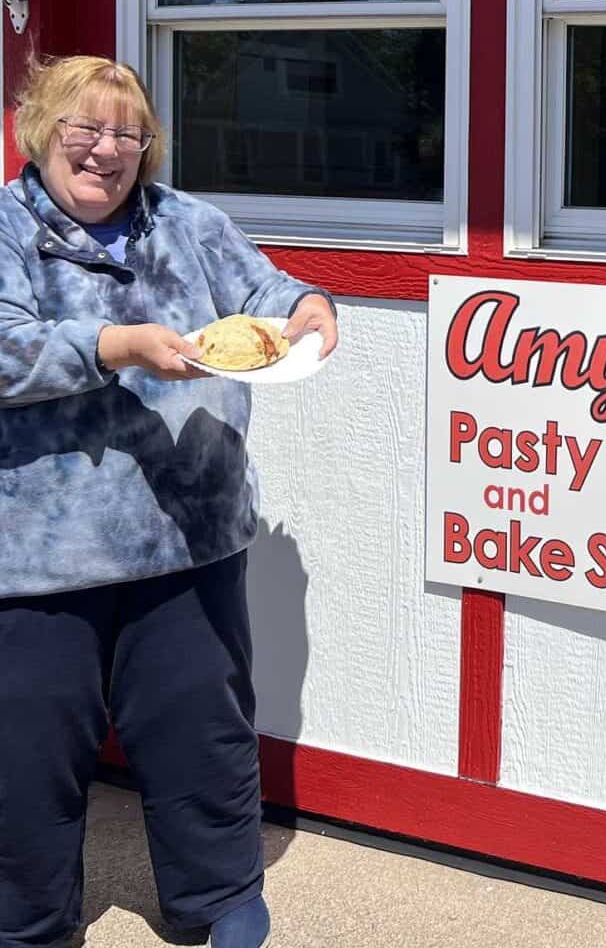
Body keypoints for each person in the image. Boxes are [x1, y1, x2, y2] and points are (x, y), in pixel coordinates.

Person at [0, 55, 338, 948]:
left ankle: (219, 898)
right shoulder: (3, 225)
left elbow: (265, 292)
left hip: (192, 538)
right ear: (41, 130)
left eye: (127, 133)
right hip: (40, 560)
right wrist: (114, 344)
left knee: (203, 732)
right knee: (28, 756)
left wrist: (307, 308)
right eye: (85, 127)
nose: (105, 149)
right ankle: (26, 924)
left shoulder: (188, 222)